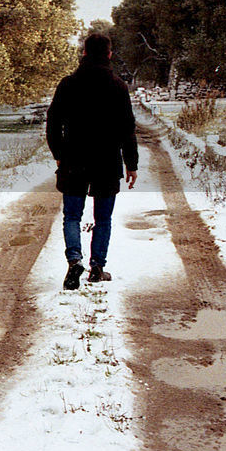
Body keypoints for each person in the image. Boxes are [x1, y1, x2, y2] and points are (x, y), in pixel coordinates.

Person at [46, 33, 139, 290]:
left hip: (73, 160)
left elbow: (53, 123)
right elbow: (127, 128)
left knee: (72, 216)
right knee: (103, 219)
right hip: (107, 162)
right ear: (109, 54)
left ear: (84, 53)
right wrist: (131, 163)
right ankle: (97, 267)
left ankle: (75, 260)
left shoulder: (68, 84)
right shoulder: (118, 87)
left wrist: (58, 154)